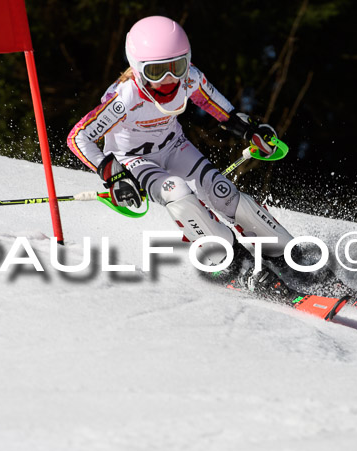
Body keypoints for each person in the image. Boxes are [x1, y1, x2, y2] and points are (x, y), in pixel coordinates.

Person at [68, 16, 308, 296]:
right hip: (136, 161)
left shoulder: (189, 79)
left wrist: (251, 131)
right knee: (177, 192)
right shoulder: (125, 97)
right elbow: (78, 137)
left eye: (176, 67)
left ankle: (287, 255)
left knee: (223, 192)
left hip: (175, 147)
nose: (169, 79)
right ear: (138, 68)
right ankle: (231, 263)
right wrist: (113, 175)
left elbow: (223, 111)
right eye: (157, 71)